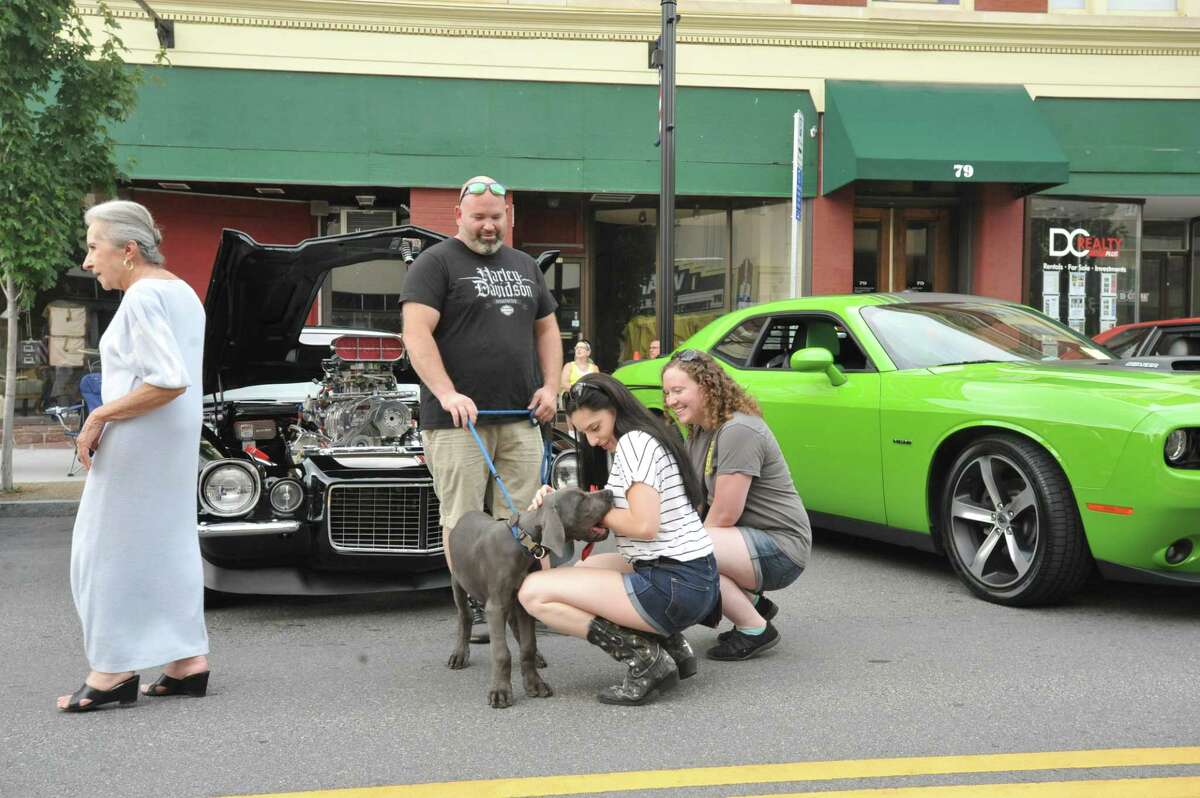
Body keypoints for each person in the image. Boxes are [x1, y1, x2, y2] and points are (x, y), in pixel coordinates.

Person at [57, 200, 210, 712]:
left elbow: (166, 379)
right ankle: (187, 662)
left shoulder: (143, 297)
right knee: (169, 546)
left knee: (102, 554)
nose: (87, 260)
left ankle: (113, 671)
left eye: (93, 246)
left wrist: (99, 417)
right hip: (171, 444)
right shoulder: (182, 291)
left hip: (140, 442)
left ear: (128, 250)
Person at [402, 176, 561, 645]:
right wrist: (448, 393)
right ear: (458, 216)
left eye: (496, 217)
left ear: (507, 216)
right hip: (457, 423)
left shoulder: (526, 265)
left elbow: (547, 331)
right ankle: (477, 603)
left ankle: (524, 601)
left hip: (520, 417)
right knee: (464, 520)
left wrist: (551, 387)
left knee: (524, 517)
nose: (488, 227)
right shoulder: (434, 264)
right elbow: (416, 334)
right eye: (479, 218)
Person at [518, 373, 720, 706]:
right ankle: (672, 646)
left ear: (616, 409)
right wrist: (562, 501)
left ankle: (645, 659)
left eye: (595, 428)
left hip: (675, 584)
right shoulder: (646, 437)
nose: (593, 441)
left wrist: (577, 509)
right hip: (691, 577)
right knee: (587, 567)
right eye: (583, 433)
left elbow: (643, 525)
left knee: (533, 593)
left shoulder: (634, 443)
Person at [660, 349, 811, 661]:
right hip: (746, 542)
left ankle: (755, 627)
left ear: (706, 387)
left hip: (782, 547)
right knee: (674, 543)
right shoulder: (700, 431)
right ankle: (753, 604)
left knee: (682, 549)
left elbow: (726, 513)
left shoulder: (738, 429)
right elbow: (695, 501)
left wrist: (686, 560)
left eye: (678, 391)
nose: (670, 401)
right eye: (666, 393)